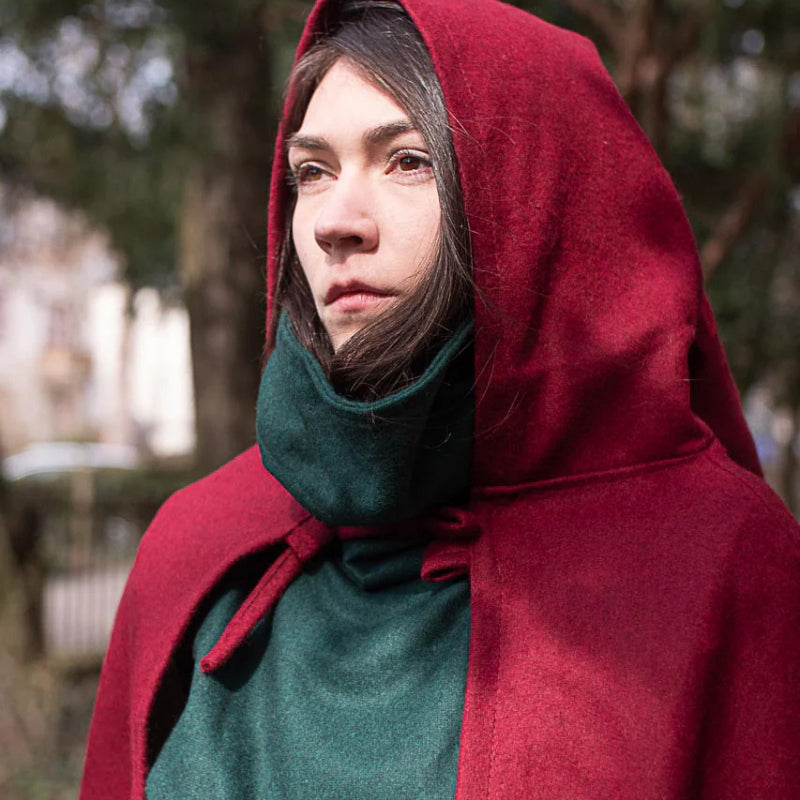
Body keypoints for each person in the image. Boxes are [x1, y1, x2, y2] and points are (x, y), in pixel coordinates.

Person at [81, 0, 800, 797]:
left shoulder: (720, 563)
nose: (335, 223)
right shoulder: (197, 549)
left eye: (407, 161)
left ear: (538, 199)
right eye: (312, 171)